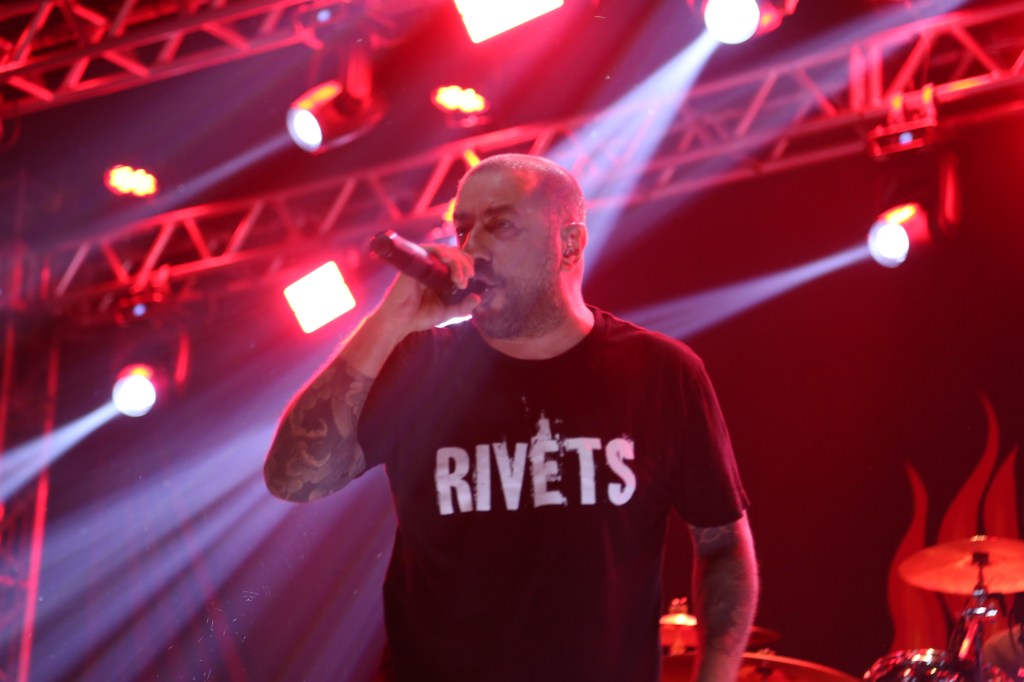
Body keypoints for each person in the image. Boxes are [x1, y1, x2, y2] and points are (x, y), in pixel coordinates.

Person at [263, 153, 759, 681]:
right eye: (463, 229)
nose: (473, 247)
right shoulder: (417, 365)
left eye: (500, 225)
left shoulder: (659, 372)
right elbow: (294, 478)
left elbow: (723, 544)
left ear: (569, 244)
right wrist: (391, 320)